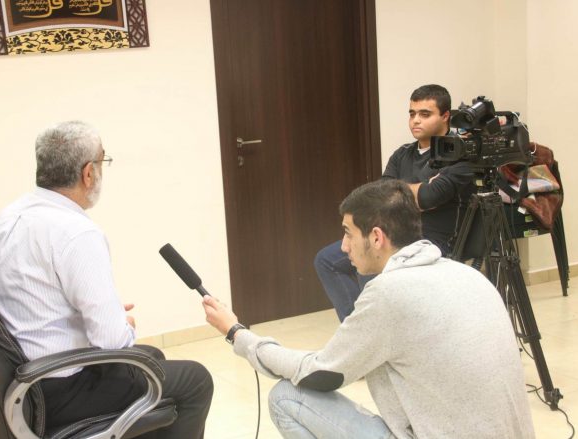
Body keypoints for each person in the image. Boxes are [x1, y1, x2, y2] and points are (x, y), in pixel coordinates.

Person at [202, 179, 535, 439]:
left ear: (376, 237)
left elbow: (319, 373)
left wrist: (237, 334)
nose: (343, 246)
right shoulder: (467, 275)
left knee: (286, 396)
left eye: (348, 234)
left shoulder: (390, 292)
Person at [0, 121, 213, 438]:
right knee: (195, 380)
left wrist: (105, 312)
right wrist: (120, 322)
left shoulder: (8, 217)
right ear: (88, 173)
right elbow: (112, 340)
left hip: (17, 382)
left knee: (152, 359)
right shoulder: (77, 233)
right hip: (58, 391)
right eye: (103, 161)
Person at [315, 84, 476, 321]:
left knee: (373, 258)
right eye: (412, 113)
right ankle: (358, 326)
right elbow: (383, 197)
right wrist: (420, 189)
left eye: (425, 114)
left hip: (434, 240)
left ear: (445, 116)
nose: (415, 120)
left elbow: (429, 197)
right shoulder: (403, 154)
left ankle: (376, 326)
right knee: (327, 260)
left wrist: (403, 192)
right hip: (395, 234)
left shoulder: (460, 156)